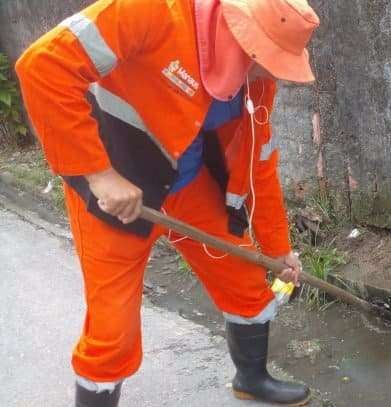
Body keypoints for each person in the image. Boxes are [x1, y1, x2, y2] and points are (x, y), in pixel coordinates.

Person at [15, 0, 320, 405]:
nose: (272, 72)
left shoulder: (256, 84)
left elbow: (257, 167)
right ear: (241, 37)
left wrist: (280, 249)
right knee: (113, 332)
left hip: (189, 187)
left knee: (246, 282)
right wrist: (100, 175)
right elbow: (41, 65)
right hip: (121, 193)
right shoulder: (153, 12)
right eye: (268, 59)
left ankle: (252, 378)